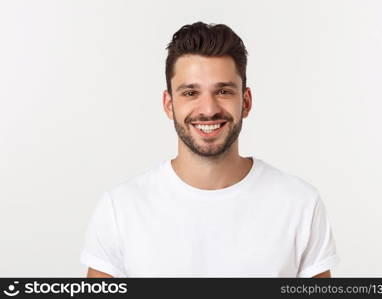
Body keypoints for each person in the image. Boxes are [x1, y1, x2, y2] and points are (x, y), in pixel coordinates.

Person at [80, 21, 340, 278]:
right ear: (169, 104)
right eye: (191, 93)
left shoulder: (299, 204)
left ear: (246, 102)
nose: (208, 109)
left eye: (224, 91)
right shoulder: (121, 208)